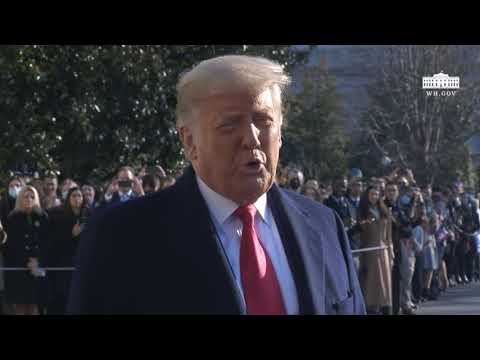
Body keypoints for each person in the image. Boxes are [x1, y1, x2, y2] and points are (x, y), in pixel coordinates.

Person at [68, 55, 365, 315]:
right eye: (229, 124)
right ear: (189, 141)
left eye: (263, 120)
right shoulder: (122, 238)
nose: (251, 138)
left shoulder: (325, 226)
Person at [2, 186, 49, 315]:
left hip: (37, 269)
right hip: (18, 269)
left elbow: (47, 242)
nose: (29, 199)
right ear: (20, 199)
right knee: (20, 308)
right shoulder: (12, 218)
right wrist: (25, 262)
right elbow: (9, 246)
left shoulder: (43, 217)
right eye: (26, 196)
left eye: (32, 197)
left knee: (35, 307)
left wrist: (38, 260)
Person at [47, 188, 92, 314]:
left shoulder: (89, 214)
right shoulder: (58, 215)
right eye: (73, 195)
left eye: (79, 196)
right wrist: (71, 234)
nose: (76, 198)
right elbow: (54, 240)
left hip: (83, 261)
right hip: (63, 262)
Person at [357, 186, 394, 315]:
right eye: (372, 194)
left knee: (385, 282)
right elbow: (359, 231)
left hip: (383, 250)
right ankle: (371, 308)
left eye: (377, 194)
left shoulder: (384, 211)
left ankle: (386, 307)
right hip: (369, 250)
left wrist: (391, 250)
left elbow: (388, 234)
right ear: (367, 195)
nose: (374, 197)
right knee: (372, 282)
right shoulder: (363, 211)